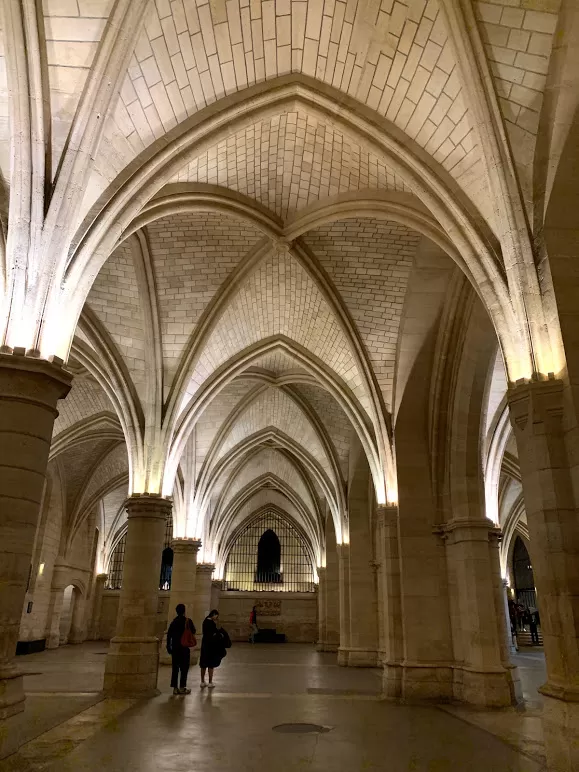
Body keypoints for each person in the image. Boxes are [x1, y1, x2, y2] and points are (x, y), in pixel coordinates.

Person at [166, 603, 196, 695]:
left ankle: (175, 688)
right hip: (184, 648)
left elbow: (169, 635)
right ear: (184, 611)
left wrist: (168, 646)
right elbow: (194, 631)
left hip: (175, 647)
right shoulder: (187, 621)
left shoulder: (174, 622)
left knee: (175, 668)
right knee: (184, 668)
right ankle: (182, 687)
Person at [200, 609, 226, 688]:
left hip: (204, 645)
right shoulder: (211, 623)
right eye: (216, 616)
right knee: (211, 665)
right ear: (214, 614)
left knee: (203, 664)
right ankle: (210, 682)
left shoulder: (205, 621)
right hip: (211, 646)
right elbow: (215, 633)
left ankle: (202, 681)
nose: (216, 618)